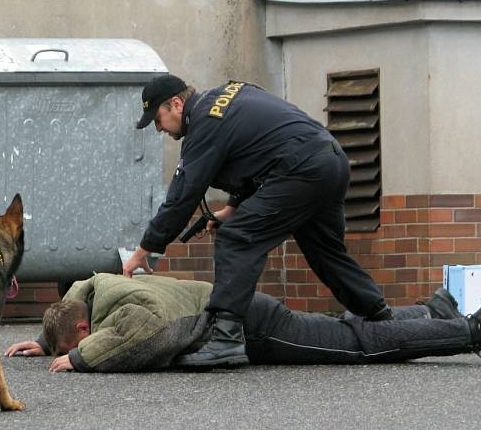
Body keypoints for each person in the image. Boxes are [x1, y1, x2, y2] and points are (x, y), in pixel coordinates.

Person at [122, 74, 392, 368]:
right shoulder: (229, 97)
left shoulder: (204, 123)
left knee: (237, 238)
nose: (159, 128)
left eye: (158, 119)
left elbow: (181, 199)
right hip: (330, 161)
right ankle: (379, 316)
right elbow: (261, 148)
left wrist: (144, 250)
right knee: (326, 252)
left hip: (300, 169)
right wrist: (233, 207)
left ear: (176, 103)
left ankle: (226, 338)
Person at [4, 273, 481, 372]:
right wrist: (44, 337)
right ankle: (431, 312)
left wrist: (77, 357)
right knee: (336, 331)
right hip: (246, 309)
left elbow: (136, 339)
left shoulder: (126, 314)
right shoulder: (97, 289)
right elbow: (73, 296)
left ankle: (473, 329)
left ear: (83, 328)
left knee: (359, 345)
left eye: (78, 336)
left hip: (250, 322)